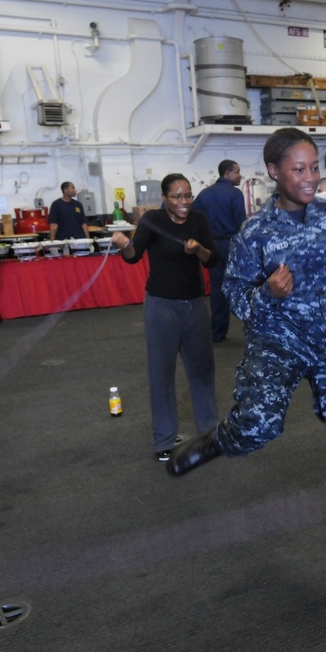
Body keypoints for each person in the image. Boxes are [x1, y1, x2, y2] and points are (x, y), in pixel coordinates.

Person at [167, 127, 326, 572]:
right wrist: (267, 294)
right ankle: (219, 440)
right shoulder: (255, 232)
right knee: (257, 425)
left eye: (314, 168)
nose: (310, 177)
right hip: (278, 338)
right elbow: (234, 295)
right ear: (274, 171)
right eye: (298, 169)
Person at [111, 173, 219, 462]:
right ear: (164, 197)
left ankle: (210, 434)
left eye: (187, 196)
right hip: (161, 307)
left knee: (202, 372)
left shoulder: (199, 220)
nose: (183, 202)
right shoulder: (152, 221)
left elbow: (213, 259)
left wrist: (198, 250)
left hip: (195, 303)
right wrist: (124, 244)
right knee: (161, 373)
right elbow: (134, 256)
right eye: (176, 196)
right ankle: (164, 441)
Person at [191, 159, 246, 343]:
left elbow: (193, 217)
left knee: (217, 290)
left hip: (212, 246)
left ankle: (217, 333)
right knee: (242, 287)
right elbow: (241, 223)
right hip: (232, 245)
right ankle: (252, 330)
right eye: (237, 172)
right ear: (227, 173)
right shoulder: (235, 194)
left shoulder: (204, 194)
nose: (240, 175)